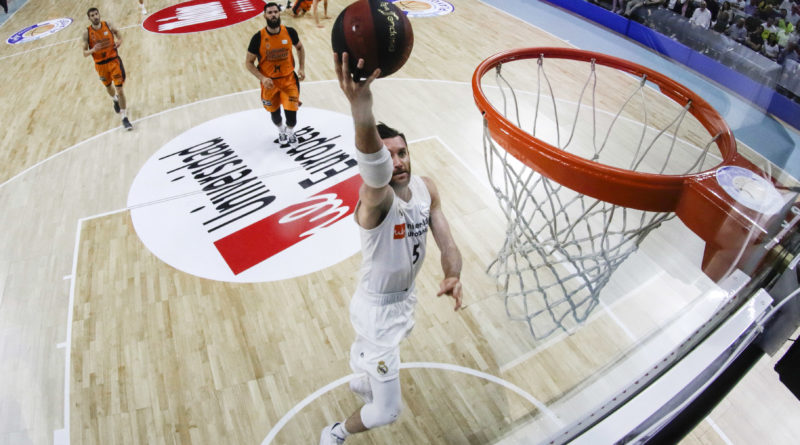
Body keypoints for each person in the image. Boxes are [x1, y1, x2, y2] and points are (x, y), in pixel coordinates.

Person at [319, 52, 464, 445]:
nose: (397, 161)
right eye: (389, 155)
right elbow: (375, 169)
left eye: (402, 152)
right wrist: (360, 107)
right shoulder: (377, 201)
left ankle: (363, 365)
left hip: (403, 300)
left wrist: (453, 273)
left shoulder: (426, 188)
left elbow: (447, 240)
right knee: (386, 410)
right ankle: (334, 433)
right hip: (377, 308)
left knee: (379, 365)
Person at [245, 2, 305, 146]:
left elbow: (300, 48)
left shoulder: (290, 32)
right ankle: (281, 130)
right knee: (275, 115)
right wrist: (262, 78)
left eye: (275, 12)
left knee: (292, 118)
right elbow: (248, 62)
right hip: (269, 83)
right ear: (265, 15)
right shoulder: (257, 38)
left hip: (289, 80)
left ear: (279, 14)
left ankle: (290, 132)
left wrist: (302, 68)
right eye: (270, 12)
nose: (273, 15)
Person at [82, 7, 133, 131]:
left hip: (114, 61)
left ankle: (124, 117)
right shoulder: (87, 33)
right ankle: (114, 99)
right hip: (100, 65)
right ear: (89, 18)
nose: (95, 17)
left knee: (120, 89)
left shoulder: (108, 25)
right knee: (108, 87)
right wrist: (92, 50)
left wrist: (120, 40)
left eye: (96, 14)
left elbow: (117, 33)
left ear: (99, 14)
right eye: (92, 15)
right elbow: (84, 52)